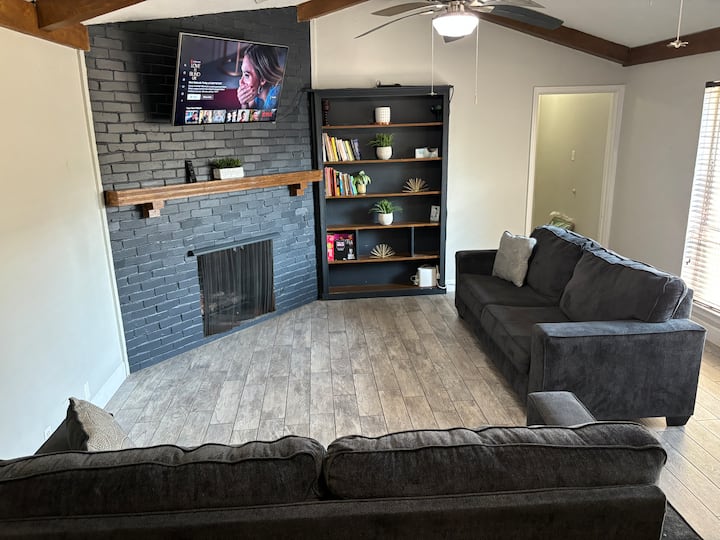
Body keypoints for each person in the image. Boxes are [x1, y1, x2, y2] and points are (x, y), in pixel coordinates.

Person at [235, 44, 284, 110]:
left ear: (262, 79)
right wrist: (244, 103)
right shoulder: (258, 91)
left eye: (246, 75)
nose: (241, 82)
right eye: (242, 73)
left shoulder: (275, 100)